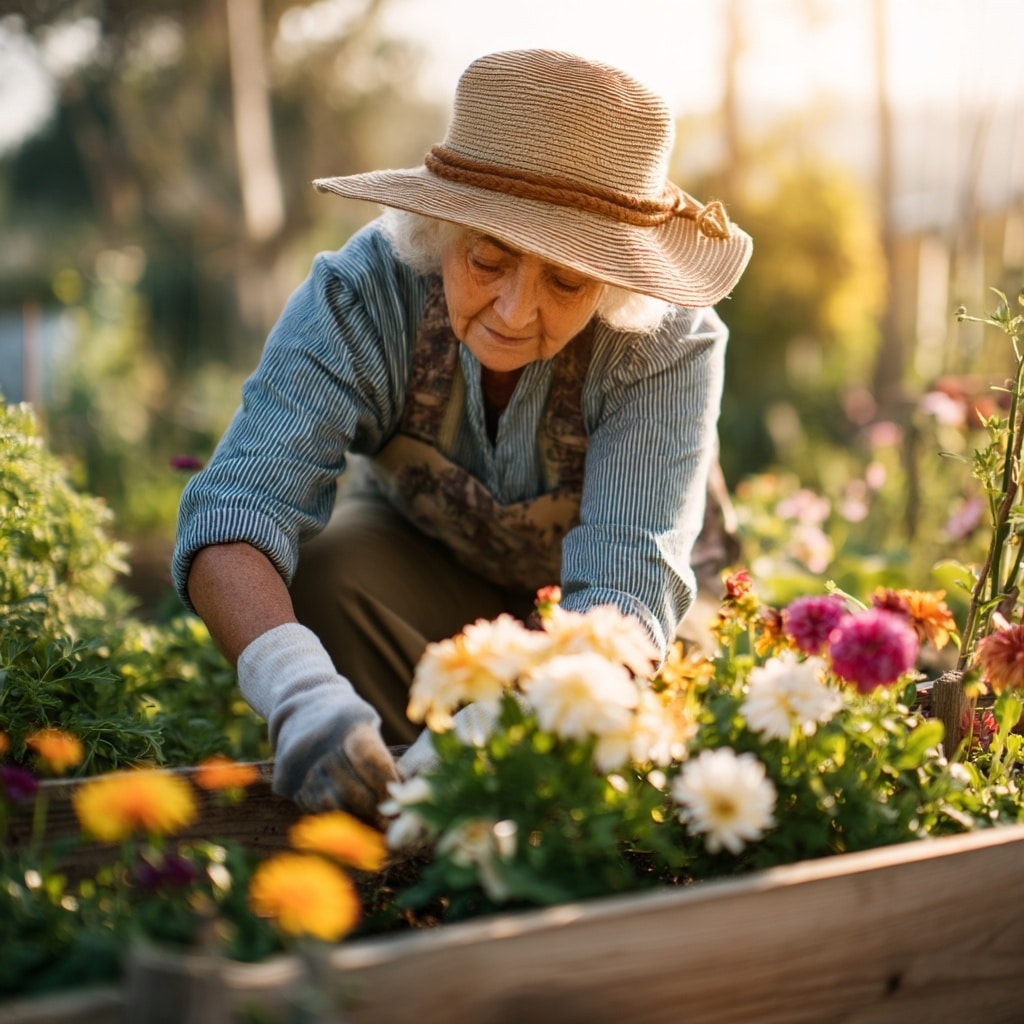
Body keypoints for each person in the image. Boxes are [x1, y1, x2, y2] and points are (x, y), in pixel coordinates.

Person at [172, 48, 753, 824]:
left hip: (638, 632)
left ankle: (510, 814)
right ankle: (390, 791)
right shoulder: (362, 294)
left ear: (614, 283)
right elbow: (233, 513)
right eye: (488, 258)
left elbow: (625, 594)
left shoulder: (666, 344)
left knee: (669, 719)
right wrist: (296, 691)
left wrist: (514, 722)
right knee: (326, 573)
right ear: (438, 227)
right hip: (440, 567)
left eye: (568, 280)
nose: (515, 310)